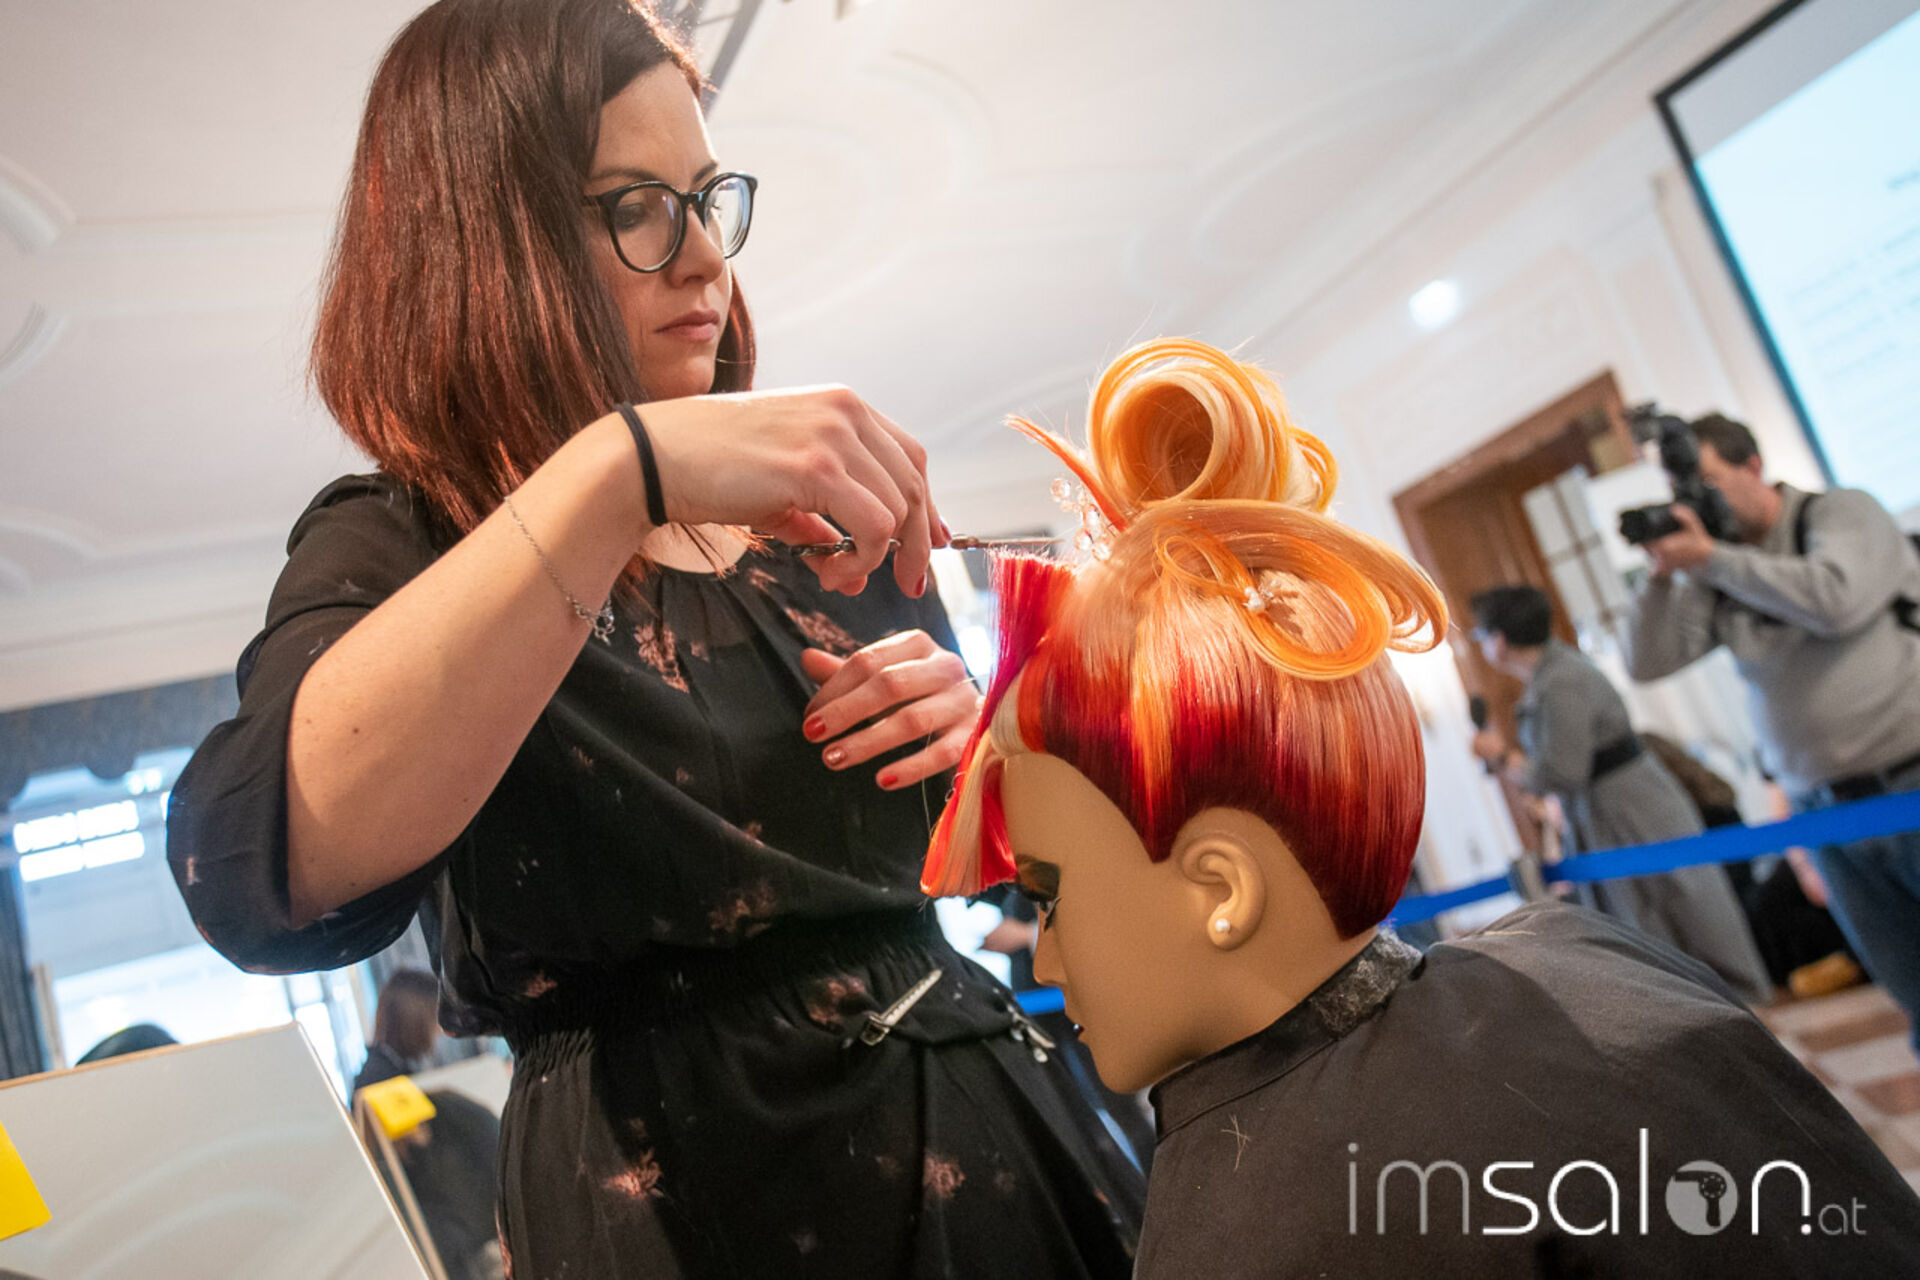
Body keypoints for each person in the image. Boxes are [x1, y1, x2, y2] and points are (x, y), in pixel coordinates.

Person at [164, 3, 1141, 1275]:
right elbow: (257, 869)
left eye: (706, 199)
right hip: (693, 1203)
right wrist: (615, 470)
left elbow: (997, 877)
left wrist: (984, 751)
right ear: (484, 244)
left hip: (995, 1130)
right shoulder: (406, 539)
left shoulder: (809, 518)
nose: (704, 259)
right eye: (636, 207)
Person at [920, 338, 1920, 1276]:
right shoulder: (1589, 966)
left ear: (1221, 888)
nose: (1044, 960)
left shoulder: (1253, 1238)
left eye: (1049, 900)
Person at [1622, 414, 1920, 1048]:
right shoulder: (1720, 569)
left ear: (1754, 466)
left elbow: (1837, 599)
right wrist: (1662, 574)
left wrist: (1713, 558)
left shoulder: (1839, 513)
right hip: (1826, 815)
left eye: (1708, 482)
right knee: (1912, 993)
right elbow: (1648, 662)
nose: (1696, 502)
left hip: (1909, 783)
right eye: (1683, 491)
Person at [1467, 586, 1771, 1003]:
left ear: (1499, 639)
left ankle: (1737, 1008)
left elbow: (1563, 771)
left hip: (1629, 809)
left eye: (1480, 635)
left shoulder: (1560, 680)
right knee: (1648, 921)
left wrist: (1503, 757)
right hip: (1609, 809)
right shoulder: (1551, 674)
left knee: (1682, 911)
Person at [355, 968, 442, 1094]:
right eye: (435, 1018)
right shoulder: (382, 1081)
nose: (439, 1029)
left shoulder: (390, 1065)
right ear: (415, 1021)